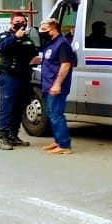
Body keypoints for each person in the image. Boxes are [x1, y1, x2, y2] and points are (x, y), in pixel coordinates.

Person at [0, 12, 39, 150]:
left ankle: (13, 135)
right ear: (11, 23)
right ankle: (3, 137)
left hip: (24, 77)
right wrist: (15, 37)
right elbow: (2, 47)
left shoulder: (28, 38)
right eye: (17, 21)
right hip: (8, 76)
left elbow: (33, 52)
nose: (20, 23)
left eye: (22, 21)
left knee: (19, 108)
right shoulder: (5, 36)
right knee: (7, 108)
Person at [39, 18, 75, 154]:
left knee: (56, 114)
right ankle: (58, 141)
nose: (41, 32)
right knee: (51, 113)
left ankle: (64, 145)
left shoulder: (62, 44)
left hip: (56, 86)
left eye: (44, 29)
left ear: (52, 29)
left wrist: (57, 84)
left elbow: (65, 65)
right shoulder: (51, 43)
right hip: (48, 84)